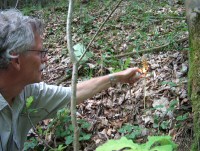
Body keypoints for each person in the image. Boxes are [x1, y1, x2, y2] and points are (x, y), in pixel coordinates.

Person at [0, 9, 143, 151]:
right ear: (16, 59)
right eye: (40, 53)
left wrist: (118, 77)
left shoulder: (27, 91)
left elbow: (72, 94)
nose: (46, 58)